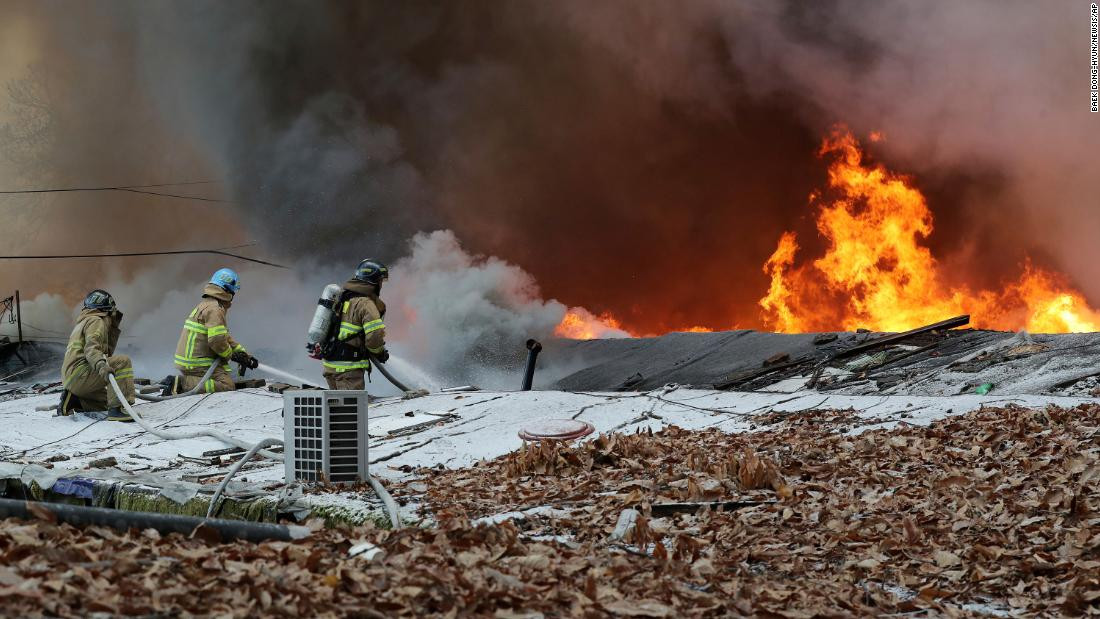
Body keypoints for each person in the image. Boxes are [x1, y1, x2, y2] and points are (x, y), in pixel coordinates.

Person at [167, 268, 257, 394]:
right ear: (226, 290)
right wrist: (231, 355)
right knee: (226, 385)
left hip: (191, 361)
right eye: (233, 291)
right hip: (198, 363)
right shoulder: (215, 309)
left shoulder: (207, 304)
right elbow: (216, 340)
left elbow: (223, 336)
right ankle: (183, 383)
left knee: (222, 379)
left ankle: (188, 381)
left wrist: (244, 355)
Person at [60, 290, 136, 422]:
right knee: (123, 362)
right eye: (112, 311)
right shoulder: (96, 321)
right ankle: (117, 411)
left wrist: (112, 331)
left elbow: (102, 352)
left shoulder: (83, 321)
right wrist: (101, 366)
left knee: (107, 401)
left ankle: (76, 400)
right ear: (106, 308)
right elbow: (92, 349)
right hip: (81, 374)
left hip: (72, 379)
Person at [320, 259, 389, 389]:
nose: (381, 284)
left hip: (331, 367)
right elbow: (375, 335)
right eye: (381, 281)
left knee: (337, 407)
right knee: (351, 408)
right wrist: (379, 352)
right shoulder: (365, 303)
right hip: (349, 371)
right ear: (374, 281)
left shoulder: (342, 296)